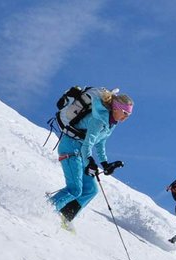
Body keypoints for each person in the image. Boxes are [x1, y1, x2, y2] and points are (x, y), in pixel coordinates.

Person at [49, 88, 133, 229]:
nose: (126, 117)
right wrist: (90, 162)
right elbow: (87, 145)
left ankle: (65, 215)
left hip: (79, 151)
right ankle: (44, 209)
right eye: (125, 113)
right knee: (74, 189)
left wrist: (105, 164)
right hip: (70, 148)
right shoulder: (99, 118)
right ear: (116, 108)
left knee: (91, 190)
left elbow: (100, 143)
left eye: (129, 115)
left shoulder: (111, 122)